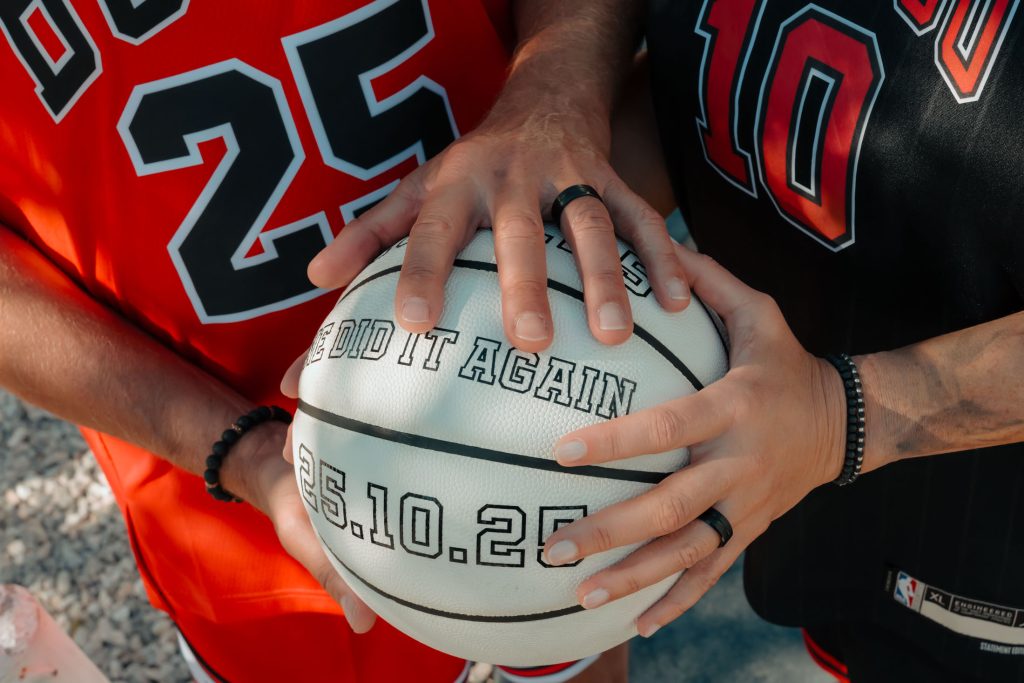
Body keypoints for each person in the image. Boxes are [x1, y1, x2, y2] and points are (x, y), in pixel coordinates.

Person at [319, 0, 1024, 681]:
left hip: (979, 545)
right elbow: (736, 76)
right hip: (788, 454)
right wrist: (552, 127)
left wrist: (839, 415)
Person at [0, 1, 671, 680]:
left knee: (572, 648)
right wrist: (238, 449)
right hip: (238, 500)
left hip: (541, 373)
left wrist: (554, 98)